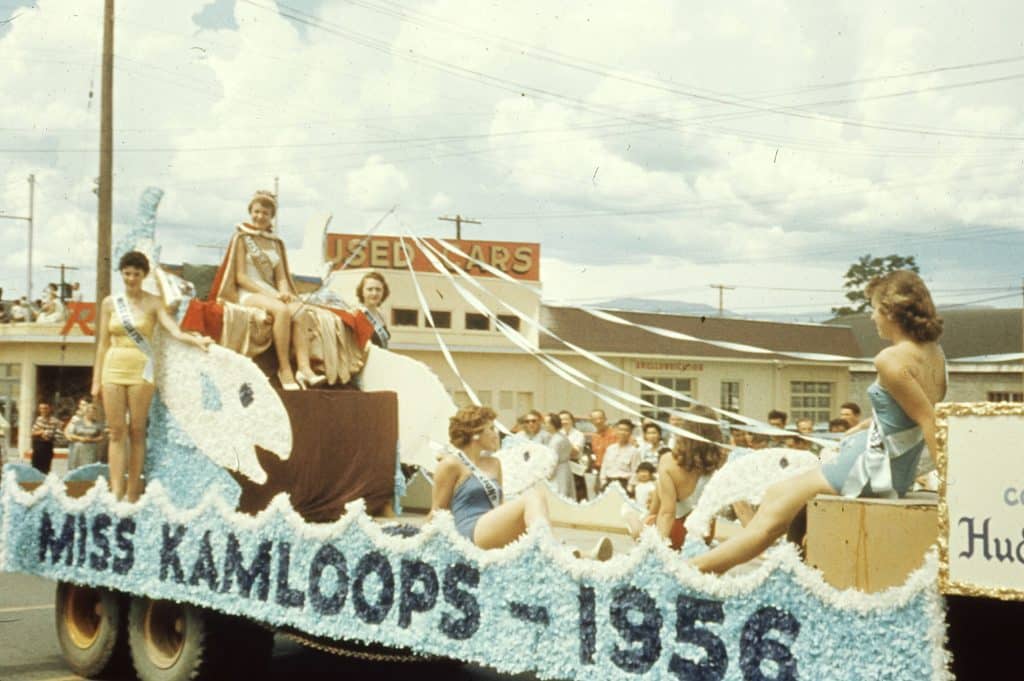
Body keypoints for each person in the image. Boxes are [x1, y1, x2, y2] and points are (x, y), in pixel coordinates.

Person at [691, 270, 945, 573]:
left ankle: (693, 571)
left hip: (872, 470)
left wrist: (950, 484)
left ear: (891, 312)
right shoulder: (934, 353)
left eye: (874, 309)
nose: (872, 317)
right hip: (892, 466)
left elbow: (928, 420)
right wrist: (867, 425)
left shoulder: (890, 359)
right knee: (783, 501)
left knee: (771, 513)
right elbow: (913, 415)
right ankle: (790, 569)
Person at [92, 251, 213, 502]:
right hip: (113, 366)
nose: (131, 278)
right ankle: (116, 490)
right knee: (115, 431)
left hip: (141, 367)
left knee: (137, 430)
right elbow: (102, 344)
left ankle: (133, 490)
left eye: (136, 274)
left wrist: (196, 339)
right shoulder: (110, 303)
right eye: (127, 273)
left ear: (143, 275)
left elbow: (174, 331)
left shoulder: (154, 302)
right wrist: (96, 380)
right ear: (121, 274)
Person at [431, 406, 612, 559]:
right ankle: (557, 552)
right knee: (532, 496)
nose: (496, 435)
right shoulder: (451, 463)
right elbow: (437, 510)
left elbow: (498, 507)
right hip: (469, 531)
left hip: (491, 527)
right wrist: (417, 543)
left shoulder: (494, 464)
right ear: (475, 434)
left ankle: (574, 553)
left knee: (532, 520)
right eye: (491, 429)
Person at [213, 191, 325, 390]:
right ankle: (285, 369)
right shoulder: (242, 238)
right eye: (256, 212)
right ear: (250, 212)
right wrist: (274, 295)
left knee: (299, 311)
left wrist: (284, 292)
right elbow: (241, 277)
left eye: (265, 213)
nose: (259, 216)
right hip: (248, 293)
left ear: (271, 216)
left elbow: (281, 276)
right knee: (281, 311)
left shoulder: (275, 243)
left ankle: (305, 369)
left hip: (271, 292)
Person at [599, 419, 640, 492]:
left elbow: (635, 471)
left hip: (624, 484)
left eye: (626, 430)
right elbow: (604, 467)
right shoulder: (610, 449)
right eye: (620, 429)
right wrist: (603, 481)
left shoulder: (634, 451)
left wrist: (630, 486)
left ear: (630, 433)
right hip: (608, 483)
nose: (623, 432)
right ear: (616, 431)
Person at [356, 271, 391, 349]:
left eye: (378, 289)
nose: (374, 293)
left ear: (383, 292)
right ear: (362, 292)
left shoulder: (382, 315)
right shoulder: (357, 315)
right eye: (370, 289)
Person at [544, 413, 574, 498]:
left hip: (558, 471)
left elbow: (553, 460)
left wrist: (547, 476)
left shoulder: (556, 440)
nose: (544, 425)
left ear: (552, 425)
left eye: (546, 423)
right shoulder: (561, 436)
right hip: (564, 468)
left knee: (559, 493)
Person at [67, 402, 104, 469]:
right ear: (86, 412)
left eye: (94, 412)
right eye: (90, 412)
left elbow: (101, 437)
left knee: (90, 468)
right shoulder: (77, 422)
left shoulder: (98, 424)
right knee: (77, 468)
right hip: (79, 449)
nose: (92, 414)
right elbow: (71, 435)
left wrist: (91, 440)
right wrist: (80, 438)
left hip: (92, 449)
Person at [30, 402, 62, 473]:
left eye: (45, 408)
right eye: (41, 408)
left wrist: (49, 435)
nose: (43, 410)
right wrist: (41, 432)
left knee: (45, 468)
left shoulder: (55, 421)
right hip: (37, 446)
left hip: (47, 446)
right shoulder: (38, 419)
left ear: (50, 409)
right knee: (35, 468)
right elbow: (32, 433)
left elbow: (59, 436)